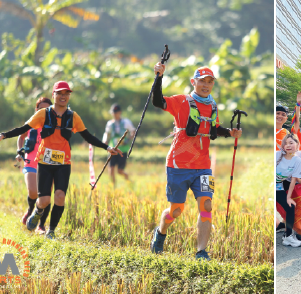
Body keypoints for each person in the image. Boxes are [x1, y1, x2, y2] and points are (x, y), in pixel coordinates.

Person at [0, 81, 123, 240]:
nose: (63, 96)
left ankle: (51, 231)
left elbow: (87, 136)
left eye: (66, 94)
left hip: (63, 163)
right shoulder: (43, 114)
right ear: (54, 95)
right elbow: (24, 129)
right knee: (44, 200)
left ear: (69, 96)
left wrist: (107, 147)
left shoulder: (73, 117)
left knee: (60, 196)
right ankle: (37, 211)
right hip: (44, 163)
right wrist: (2, 136)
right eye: (59, 93)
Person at [150, 64, 243, 260]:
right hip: (178, 166)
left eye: (210, 82)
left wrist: (229, 133)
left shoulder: (213, 106)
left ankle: (201, 252)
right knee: (176, 211)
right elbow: (158, 102)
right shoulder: (182, 101)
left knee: (207, 206)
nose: (206, 85)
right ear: (194, 82)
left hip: (203, 166)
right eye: (202, 81)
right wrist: (158, 77)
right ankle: (160, 231)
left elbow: (213, 129)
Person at [16, 97, 52, 234]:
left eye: (47, 109)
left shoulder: (53, 125)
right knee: (32, 191)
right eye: (41, 108)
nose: (44, 111)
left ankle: (41, 225)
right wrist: (19, 151)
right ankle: (31, 210)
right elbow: (20, 136)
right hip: (31, 160)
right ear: (36, 110)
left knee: (46, 196)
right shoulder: (31, 123)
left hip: (47, 162)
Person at [275, 134, 301, 247]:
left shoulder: (297, 160)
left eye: (291, 143)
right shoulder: (277, 155)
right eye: (286, 143)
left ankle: (288, 236)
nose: (288, 145)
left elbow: (293, 179)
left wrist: (288, 198)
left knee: (290, 206)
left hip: (279, 188)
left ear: (297, 145)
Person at [102, 103, 136, 186]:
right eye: (113, 113)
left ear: (120, 112)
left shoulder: (126, 122)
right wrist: (105, 141)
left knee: (120, 171)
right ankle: (113, 187)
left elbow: (133, 131)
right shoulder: (110, 123)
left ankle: (128, 179)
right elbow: (107, 133)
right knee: (111, 169)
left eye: (116, 112)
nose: (114, 114)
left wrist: (127, 140)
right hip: (113, 149)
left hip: (123, 149)